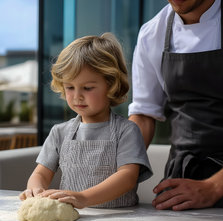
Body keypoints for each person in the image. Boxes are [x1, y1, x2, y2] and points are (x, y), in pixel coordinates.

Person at [128, 0, 223, 212]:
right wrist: (119, 174)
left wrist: (213, 187)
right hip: (179, 188)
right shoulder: (152, 32)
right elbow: (143, 117)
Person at [19, 33, 152, 209]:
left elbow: (127, 177)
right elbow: (41, 173)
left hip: (120, 220)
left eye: (87, 88)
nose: (77, 96)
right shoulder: (59, 132)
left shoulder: (127, 131)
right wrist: (35, 190)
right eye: (70, 87)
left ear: (112, 85)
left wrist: (83, 198)